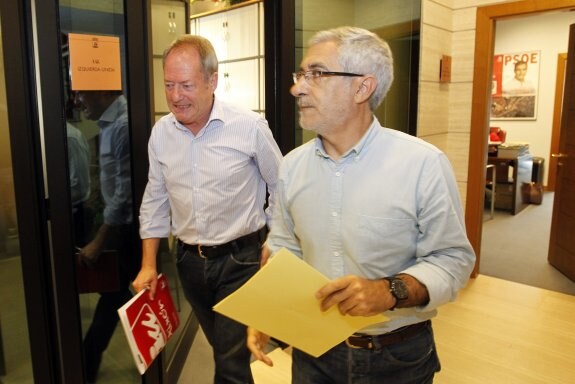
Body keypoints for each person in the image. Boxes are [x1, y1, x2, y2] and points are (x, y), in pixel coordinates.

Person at [247, 26, 476, 383]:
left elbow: (453, 260)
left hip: (398, 358)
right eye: (301, 75)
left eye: (317, 74)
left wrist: (388, 291)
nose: (297, 87)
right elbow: (284, 245)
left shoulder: (422, 164)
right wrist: (268, 312)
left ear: (362, 87)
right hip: (313, 352)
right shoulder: (292, 165)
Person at [133, 35, 282, 384]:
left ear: (212, 81)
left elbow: (282, 188)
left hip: (240, 261)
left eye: (186, 85)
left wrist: (275, 244)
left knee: (229, 365)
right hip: (189, 263)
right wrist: (149, 264)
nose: (174, 96)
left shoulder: (249, 127)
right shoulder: (161, 134)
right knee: (225, 350)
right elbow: (155, 200)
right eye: (168, 85)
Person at [74, 90, 136, 383]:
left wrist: (100, 239)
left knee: (114, 295)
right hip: (118, 226)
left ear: (99, 92)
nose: (77, 101)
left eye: (81, 93)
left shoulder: (123, 125)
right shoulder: (107, 123)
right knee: (117, 294)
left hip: (126, 229)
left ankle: (85, 366)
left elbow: (124, 192)